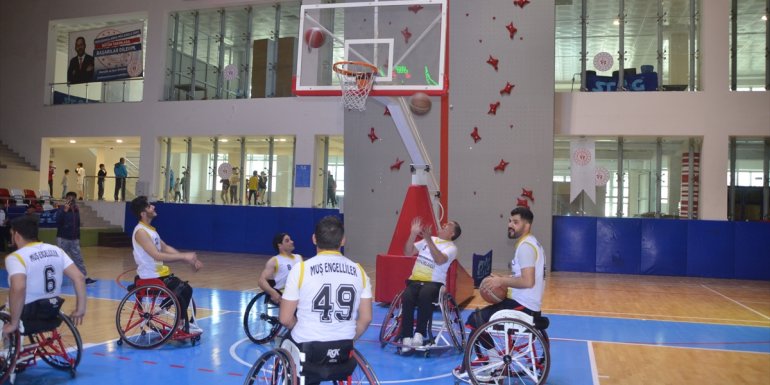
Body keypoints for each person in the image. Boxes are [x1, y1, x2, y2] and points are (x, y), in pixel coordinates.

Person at [453, 207, 546, 379]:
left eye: (515, 222)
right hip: (525, 304)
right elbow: (523, 277)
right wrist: (505, 277)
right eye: (510, 221)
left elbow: (528, 281)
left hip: (523, 307)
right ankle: (492, 360)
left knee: (476, 319)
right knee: (480, 315)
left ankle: (492, 363)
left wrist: (501, 281)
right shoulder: (531, 243)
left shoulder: (525, 247)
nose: (510, 225)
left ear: (527, 225)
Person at [279, 216, 373, 385]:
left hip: (308, 348)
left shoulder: (300, 270)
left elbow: (285, 319)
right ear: (342, 240)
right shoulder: (360, 272)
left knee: (286, 342)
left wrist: (297, 325)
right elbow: (366, 318)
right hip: (343, 350)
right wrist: (348, 338)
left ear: (314, 239)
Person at [2, 215, 87, 339]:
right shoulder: (57, 250)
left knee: (8, 316)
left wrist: (14, 323)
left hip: (27, 312)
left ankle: (10, 353)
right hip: (51, 309)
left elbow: (19, 288)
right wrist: (80, 309)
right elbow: (79, 277)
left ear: (17, 235)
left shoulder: (16, 257)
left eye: (11, 234)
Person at [130, 196, 204, 332]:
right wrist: (184, 256)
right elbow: (156, 255)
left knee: (186, 289)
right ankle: (162, 310)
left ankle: (179, 322)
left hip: (158, 274)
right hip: (149, 276)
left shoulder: (150, 230)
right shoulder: (140, 232)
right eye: (149, 206)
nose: (153, 206)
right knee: (181, 290)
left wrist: (188, 259)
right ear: (143, 213)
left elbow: (165, 248)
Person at [399, 217, 461, 351]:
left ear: (452, 234)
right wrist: (413, 234)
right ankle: (407, 336)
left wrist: (428, 240)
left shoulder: (452, 248)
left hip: (434, 283)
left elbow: (439, 260)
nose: (444, 224)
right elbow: (407, 252)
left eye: (449, 224)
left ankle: (420, 334)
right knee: (407, 296)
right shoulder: (429, 239)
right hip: (415, 280)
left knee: (425, 294)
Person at [56, 191, 96, 285]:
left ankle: (84, 277)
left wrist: (78, 238)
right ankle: (56, 279)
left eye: (73, 198)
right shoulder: (61, 209)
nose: (71, 200)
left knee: (78, 259)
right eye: (69, 198)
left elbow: (77, 225)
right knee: (59, 259)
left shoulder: (76, 210)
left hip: (74, 239)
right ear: (66, 199)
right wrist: (64, 211)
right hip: (63, 239)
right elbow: (57, 222)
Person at [258, 233, 303, 304]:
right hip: (284, 294)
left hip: (300, 292)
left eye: (290, 239)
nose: (292, 242)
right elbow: (261, 281)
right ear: (280, 245)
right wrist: (273, 292)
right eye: (287, 240)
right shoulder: (275, 260)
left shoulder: (299, 257)